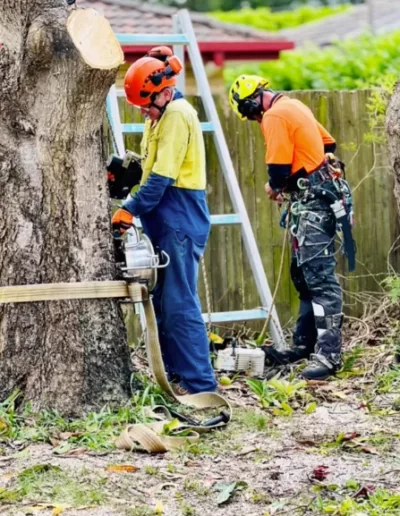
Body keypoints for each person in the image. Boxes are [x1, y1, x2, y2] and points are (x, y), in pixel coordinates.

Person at [228, 75, 353, 380]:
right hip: (316, 195)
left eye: (251, 113)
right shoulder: (294, 105)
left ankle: (329, 356)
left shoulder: (273, 115)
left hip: (315, 201)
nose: (255, 120)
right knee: (303, 274)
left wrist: (276, 187)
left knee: (320, 278)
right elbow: (328, 143)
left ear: (253, 101)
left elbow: (278, 169)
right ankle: (304, 344)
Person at [112, 52, 217, 394]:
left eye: (146, 105)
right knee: (161, 302)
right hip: (162, 215)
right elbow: (149, 168)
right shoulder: (157, 115)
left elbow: (161, 178)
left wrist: (129, 208)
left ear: (163, 91)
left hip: (180, 214)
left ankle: (201, 386)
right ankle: (175, 375)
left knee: (179, 303)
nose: (142, 111)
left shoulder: (176, 115)